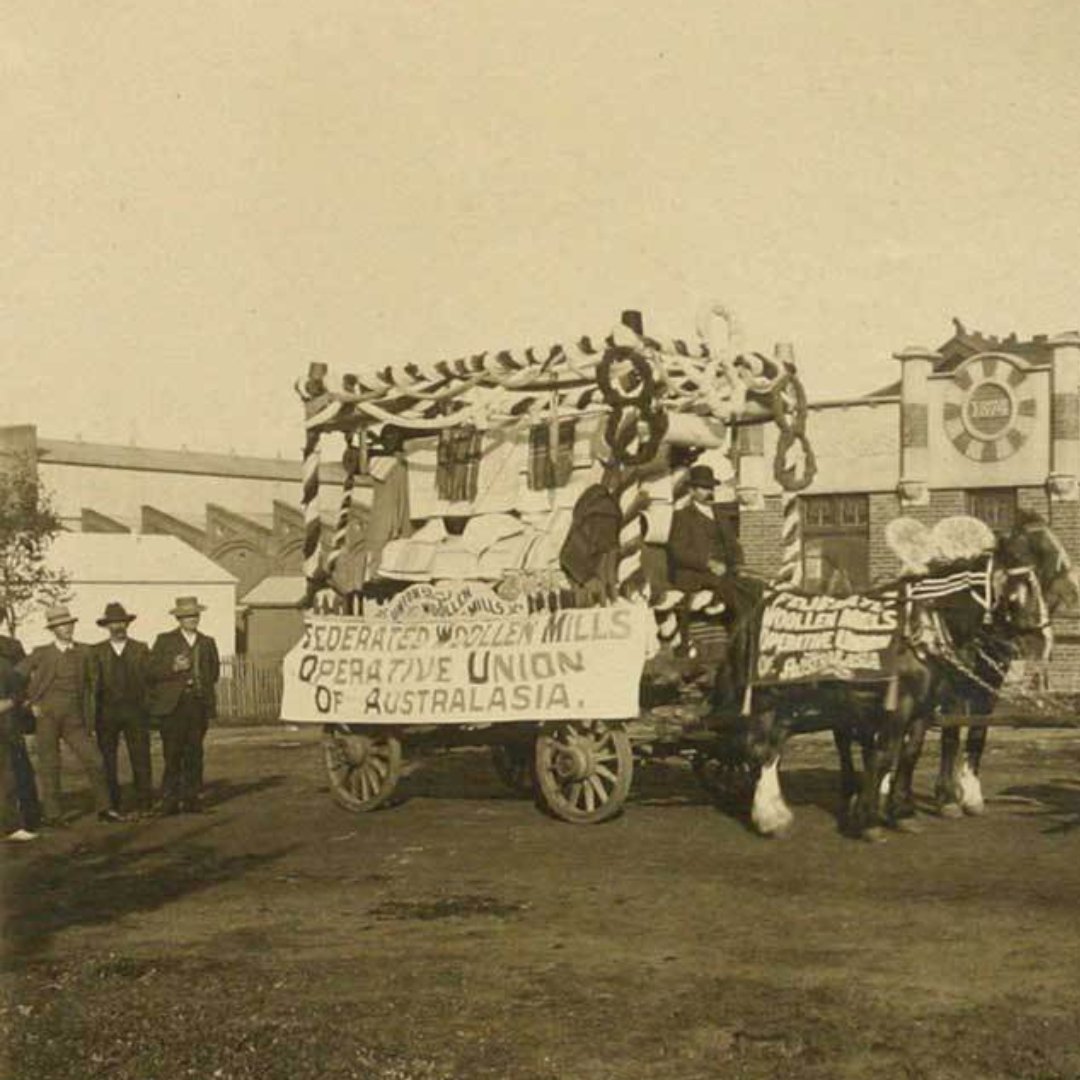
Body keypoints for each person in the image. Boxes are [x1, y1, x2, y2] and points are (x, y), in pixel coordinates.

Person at [19, 604, 120, 825]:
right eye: (60, 625)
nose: (66, 628)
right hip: (47, 716)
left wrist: (91, 714)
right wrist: (28, 703)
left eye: (68, 624)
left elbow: (95, 684)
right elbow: (15, 676)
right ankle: (53, 815)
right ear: (52, 630)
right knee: (50, 764)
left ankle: (105, 808)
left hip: (75, 718)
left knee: (95, 760)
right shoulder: (41, 653)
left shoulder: (85, 652)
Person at [148, 596, 220, 815]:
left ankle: (192, 800)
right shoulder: (165, 640)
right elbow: (150, 672)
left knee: (195, 753)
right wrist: (173, 667)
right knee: (173, 753)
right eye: (187, 616)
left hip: (197, 703)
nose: (192, 619)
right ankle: (169, 800)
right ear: (178, 618)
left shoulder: (207, 642)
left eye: (195, 615)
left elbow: (213, 672)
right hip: (173, 705)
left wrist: (201, 688)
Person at [90, 602, 153, 815]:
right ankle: (112, 805)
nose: (118, 627)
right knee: (107, 759)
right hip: (106, 712)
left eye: (121, 622)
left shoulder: (141, 649)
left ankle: (145, 803)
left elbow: (151, 679)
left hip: (136, 711)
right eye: (113, 623)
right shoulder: (96, 651)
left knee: (141, 757)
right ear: (106, 626)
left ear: (127, 624)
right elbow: (90, 684)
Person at [667, 464, 749, 622]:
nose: (709, 492)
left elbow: (733, 545)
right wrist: (709, 563)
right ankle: (712, 601)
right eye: (704, 488)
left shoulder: (721, 515)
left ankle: (745, 642)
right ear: (691, 491)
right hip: (696, 575)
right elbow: (678, 552)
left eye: (711, 488)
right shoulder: (682, 517)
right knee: (735, 592)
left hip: (724, 573)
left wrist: (740, 565)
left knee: (754, 588)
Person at [0, 608, 41, 831]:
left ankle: (28, 817)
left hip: (7, 719)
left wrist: (13, 702)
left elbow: (23, 681)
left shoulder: (11, 647)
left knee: (17, 769)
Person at [1, 643, 36, 841]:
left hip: (3, 730)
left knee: (7, 777)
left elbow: (20, 693)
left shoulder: (4, 665)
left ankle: (11, 826)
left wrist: (8, 703)